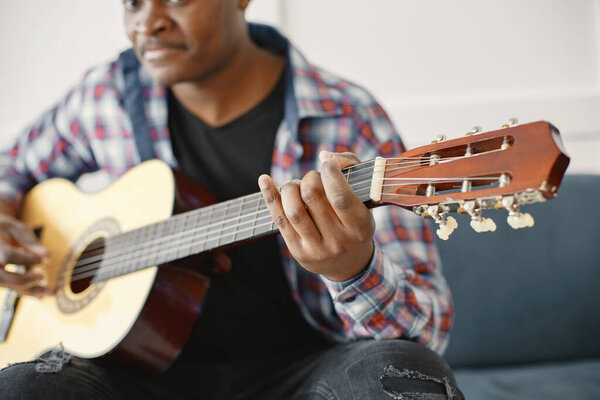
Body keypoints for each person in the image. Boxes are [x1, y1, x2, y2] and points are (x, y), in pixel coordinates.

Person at [0, 0, 463, 398]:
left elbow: (428, 329)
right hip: (135, 380)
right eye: (132, 3)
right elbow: (11, 168)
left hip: (303, 372)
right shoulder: (107, 96)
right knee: (24, 387)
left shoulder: (347, 115)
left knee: (405, 375)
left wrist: (354, 270)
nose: (148, 22)